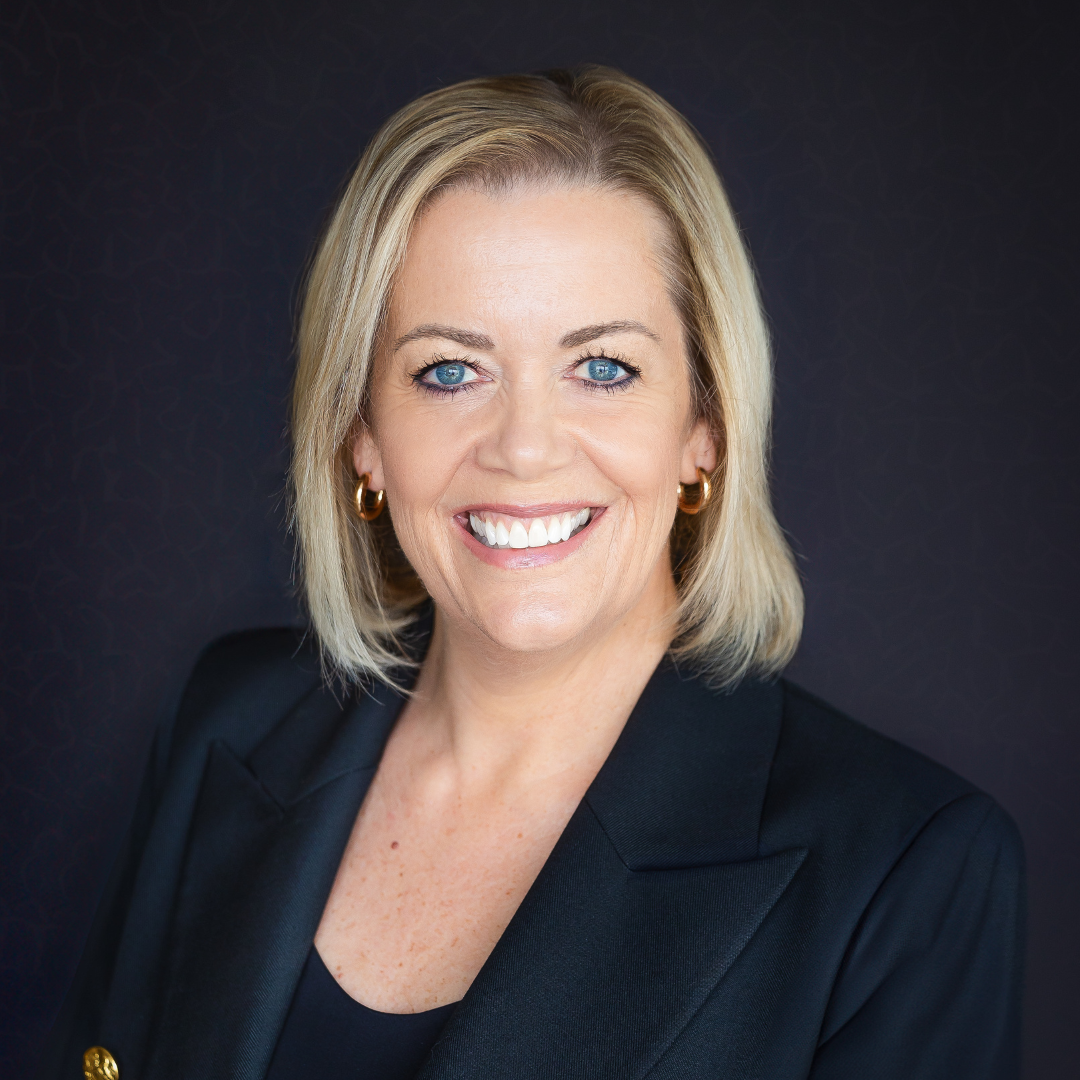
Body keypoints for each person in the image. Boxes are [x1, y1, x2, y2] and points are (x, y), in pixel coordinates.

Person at [41, 67, 1024, 1080]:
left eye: (602, 368)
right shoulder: (229, 719)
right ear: (361, 436)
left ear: (704, 429)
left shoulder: (908, 872)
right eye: (449, 371)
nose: (523, 449)